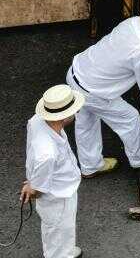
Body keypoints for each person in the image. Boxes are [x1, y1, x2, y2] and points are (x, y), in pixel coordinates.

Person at [66, 0, 140, 178]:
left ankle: (90, 165)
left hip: (78, 71)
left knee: (86, 121)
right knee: (129, 118)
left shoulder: (134, 22)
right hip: (94, 90)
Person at [21, 85, 85, 258]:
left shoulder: (36, 121)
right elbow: (39, 190)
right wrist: (33, 185)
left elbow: (33, 155)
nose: (76, 113)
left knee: (56, 230)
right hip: (59, 195)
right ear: (64, 117)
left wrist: (32, 179)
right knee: (60, 229)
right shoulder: (48, 153)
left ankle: (65, 251)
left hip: (54, 186)